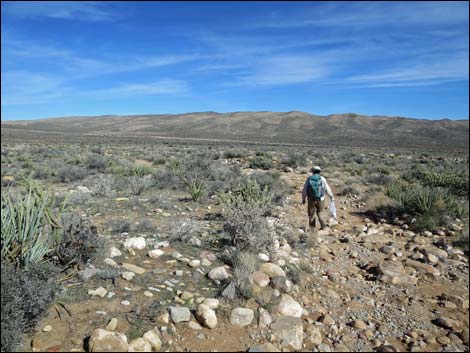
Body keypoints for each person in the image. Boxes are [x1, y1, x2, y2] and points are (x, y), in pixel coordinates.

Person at [301, 166, 334, 230]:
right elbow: (327, 189)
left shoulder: (309, 178)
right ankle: (323, 226)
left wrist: (303, 198)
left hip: (311, 199)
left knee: (311, 214)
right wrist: (331, 197)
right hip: (320, 199)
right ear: (319, 172)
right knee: (319, 213)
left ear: (312, 171)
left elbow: (304, 190)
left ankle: (312, 229)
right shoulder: (322, 179)